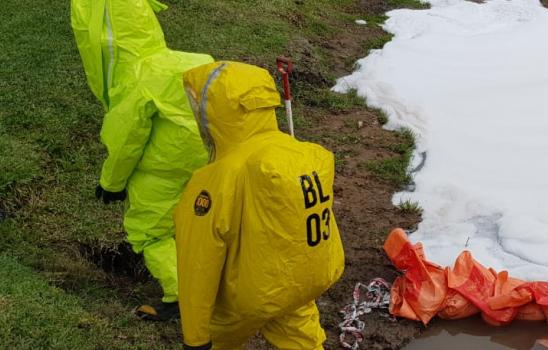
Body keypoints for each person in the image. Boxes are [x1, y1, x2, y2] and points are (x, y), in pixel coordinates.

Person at [175, 61, 345, 350]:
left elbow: (198, 262)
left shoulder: (219, 178)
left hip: (250, 296)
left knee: (220, 340)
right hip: (301, 286)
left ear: (215, 111)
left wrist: (196, 338)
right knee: (301, 339)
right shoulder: (303, 154)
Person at [71, 0, 213, 320]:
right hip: (213, 159)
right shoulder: (193, 61)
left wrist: (112, 183)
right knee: (202, 223)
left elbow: (125, 142)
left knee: (150, 231)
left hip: (163, 169)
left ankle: (184, 299)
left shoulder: (133, 82)